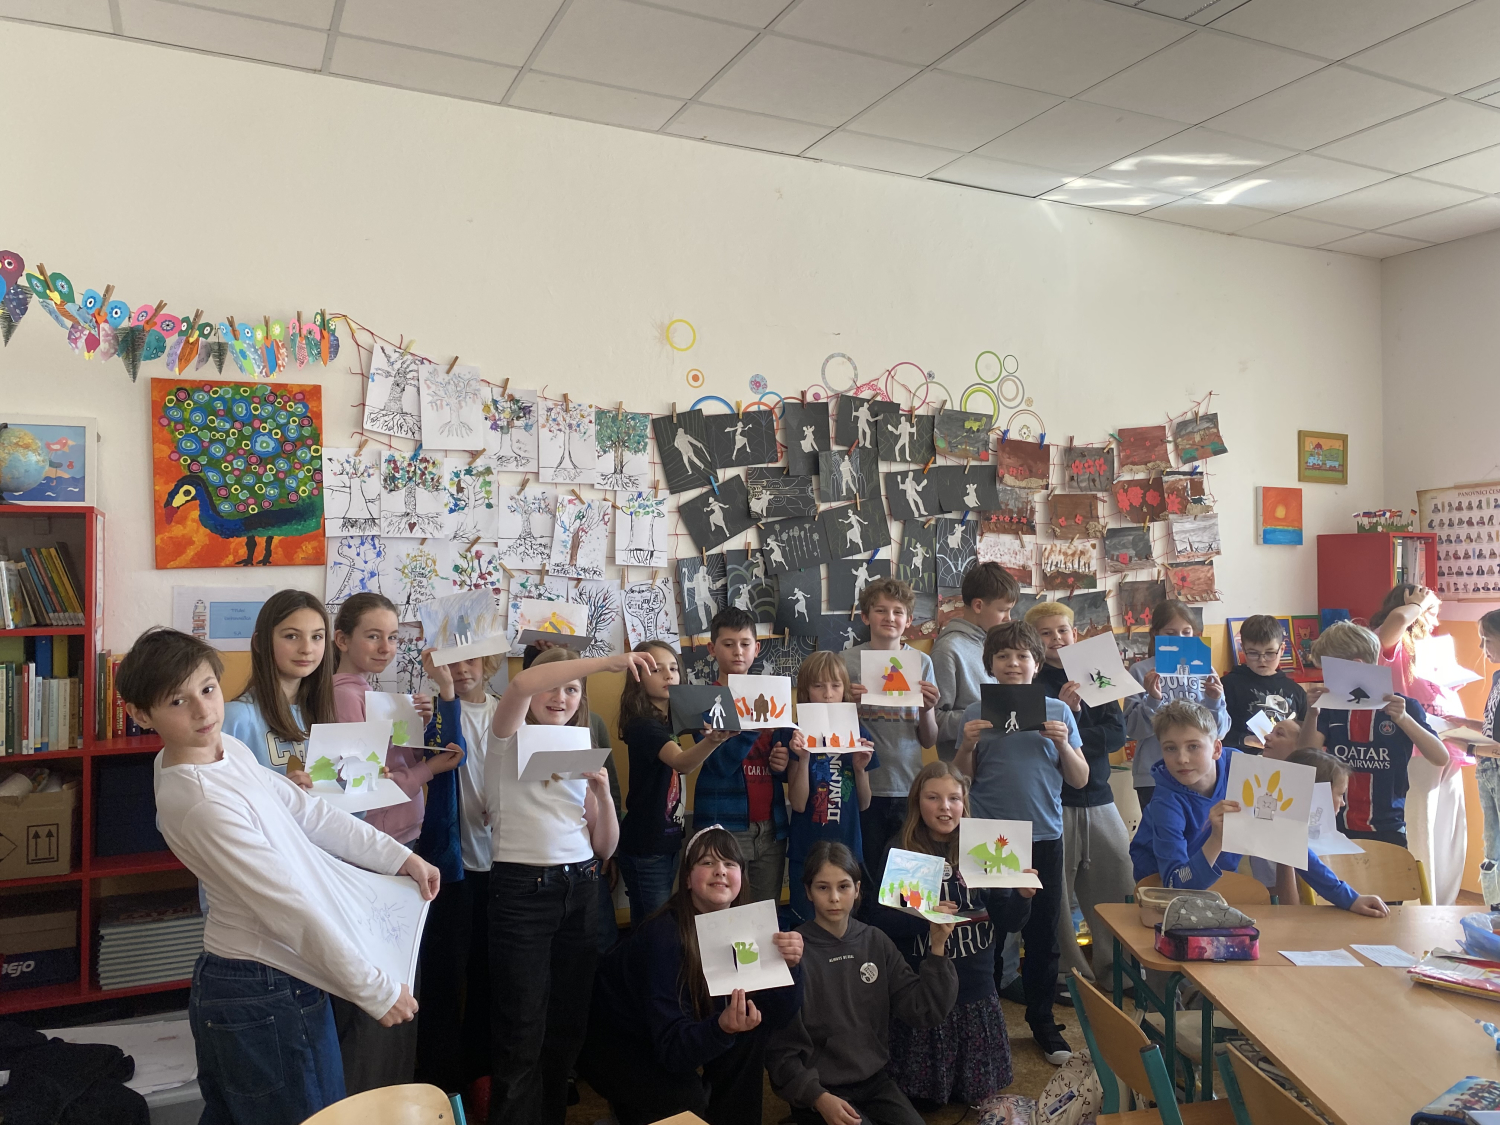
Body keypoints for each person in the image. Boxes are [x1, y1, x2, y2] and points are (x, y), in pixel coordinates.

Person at [124, 627, 439, 1125]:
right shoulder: (201, 801)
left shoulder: (223, 748)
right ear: (141, 714)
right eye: (178, 701)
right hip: (262, 985)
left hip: (270, 978)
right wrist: (375, 991)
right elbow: (287, 906)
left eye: (208, 689)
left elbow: (305, 810)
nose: (203, 711)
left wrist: (396, 856)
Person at [485, 646, 636, 1125]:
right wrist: (603, 663)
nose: (560, 697)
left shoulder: (578, 746)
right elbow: (519, 685)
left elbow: (604, 847)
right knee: (520, 1031)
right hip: (522, 892)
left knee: (566, 1028)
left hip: (581, 886)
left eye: (572, 690)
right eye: (552, 686)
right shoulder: (506, 736)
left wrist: (603, 796)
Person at [580, 827, 805, 1125]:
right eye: (707, 862)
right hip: (616, 1041)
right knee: (685, 1103)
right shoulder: (664, 937)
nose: (720, 870)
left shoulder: (746, 929)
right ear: (687, 878)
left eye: (729, 863)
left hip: (669, 1034)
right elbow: (672, 1050)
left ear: (742, 876)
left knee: (749, 1027)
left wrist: (790, 967)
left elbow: (776, 1016)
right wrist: (720, 1028)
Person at [330, 593, 463, 1092]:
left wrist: (417, 723)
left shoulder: (370, 691)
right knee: (387, 982)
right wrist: (431, 768)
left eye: (392, 637)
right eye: (372, 636)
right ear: (342, 639)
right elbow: (361, 785)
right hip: (377, 852)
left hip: (399, 844)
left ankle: (391, 1088)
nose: (385, 647)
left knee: (401, 977)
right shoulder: (346, 694)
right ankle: (375, 1093)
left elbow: (392, 760)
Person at [955, 621, 1087, 1066]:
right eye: (1003, 656)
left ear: (1036, 663)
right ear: (990, 664)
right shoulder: (977, 712)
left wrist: (1064, 745)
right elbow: (963, 780)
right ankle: (986, 1021)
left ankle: (1042, 1022)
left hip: (1043, 834)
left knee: (1043, 933)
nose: (1013, 664)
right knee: (987, 933)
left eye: (1022, 656)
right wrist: (967, 746)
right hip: (988, 836)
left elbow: (1080, 778)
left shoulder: (1058, 711)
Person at [870, 763, 1034, 1104]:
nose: (945, 807)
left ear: (964, 802)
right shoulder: (903, 850)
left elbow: (1008, 922)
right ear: (917, 801)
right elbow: (882, 925)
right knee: (923, 1100)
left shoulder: (982, 848)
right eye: (933, 797)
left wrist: (1021, 895)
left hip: (976, 987)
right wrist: (924, 917)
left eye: (954, 798)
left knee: (979, 1094)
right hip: (925, 986)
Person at [1131, 700, 1388, 917]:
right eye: (1170, 748)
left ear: (1217, 749)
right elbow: (1176, 885)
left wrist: (1350, 899)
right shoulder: (1166, 804)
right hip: (1160, 897)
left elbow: (1290, 840)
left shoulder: (1243, 771)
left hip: (1221, 888)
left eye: (1193, 746)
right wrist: (1218, 839)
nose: (1182, 758)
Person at [767, 841, 956, 1125]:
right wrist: (817, 1097)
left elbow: (922, 1009)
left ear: (857, 890)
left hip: (875, 1083)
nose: (834, 898)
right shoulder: (794, 954)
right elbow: (781, 1052)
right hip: (820, 1089)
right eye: (823, 887)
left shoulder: (875, 941)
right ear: (808, 891)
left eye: (843, 887)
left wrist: (938, 946)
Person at [1024, 602, 1131, 988]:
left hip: (1099, 795)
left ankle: (1119, 971)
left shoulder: (1095, 670)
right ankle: (1070, 975)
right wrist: (1063, 711)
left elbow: (1116, 735)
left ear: (1075, 634)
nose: (1056, 639)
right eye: (1046, 633)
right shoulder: (1030, 680)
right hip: (1054, 802)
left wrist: (1073, 724)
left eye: (1063, 630)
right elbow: (1036, 746)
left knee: (1118, 880)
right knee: (1056, 893)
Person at [1299, 621, 1449, 851]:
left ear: (1356, 666)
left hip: (1388, 825)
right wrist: (1312, 714)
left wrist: (1404, 719)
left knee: (1388, 875)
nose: (1326, 679)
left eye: (1330, 672)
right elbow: (1305, 757)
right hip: (1337, 822)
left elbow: (1440, 757)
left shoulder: (1404, 706)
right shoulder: (1330, 708)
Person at [1370, 584, 1468, 904]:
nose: (1435, 620)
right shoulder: (1391, 639)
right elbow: (1396, 624)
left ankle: (1444, 903)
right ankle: (1419, 903)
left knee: (1449, 832)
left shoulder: (1430, 646)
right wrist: (1417, 604)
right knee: (1420, 827)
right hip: (1415, 750)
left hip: (1449, 745)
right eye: (1431, 612)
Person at [616, 640, 725, 924]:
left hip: (668, 841)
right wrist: (713, 741)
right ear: (638, 677)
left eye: (674, 668)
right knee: (653, 925)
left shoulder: (670, 723)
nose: (668, 675)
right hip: (646, 845)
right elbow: (682, 762)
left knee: (666, 919)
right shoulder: (643, 725)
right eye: (657, 670)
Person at [690, 607, 791, 904]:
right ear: (712, 649)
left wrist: (782, 764)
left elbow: (782, 766)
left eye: (745, 644)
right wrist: (752, 726)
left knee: (764, 912)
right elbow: (719, 764)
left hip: (770, 826)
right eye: (728, 644)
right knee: (722, 911)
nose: (738, 651)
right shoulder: (704, 701)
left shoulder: (773, 697)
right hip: (724, 825)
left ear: (756, 649)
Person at [840, 578, 937, 877]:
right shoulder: (846, 662)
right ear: (865, 617)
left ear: (908, 620)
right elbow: (835, 732)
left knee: (906, 876)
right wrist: (847, 704)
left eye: (897, 612)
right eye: (880, 610)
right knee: (866, 872)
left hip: (908, 785)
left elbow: (928, 739)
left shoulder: (921, 662)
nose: (889, 618)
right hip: (864, 784)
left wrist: (927, 709)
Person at [786, 651, 877, 923]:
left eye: (835, 686)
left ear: (844, 690)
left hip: (848, 849)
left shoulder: (858, 733)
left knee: (845, 924)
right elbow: (798, 803)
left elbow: (865, 803)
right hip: (806, 849)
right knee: (807, 924)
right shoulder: (795, 734)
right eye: (818, 686)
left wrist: (859, 769)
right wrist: (803, 759)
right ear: (805, 691)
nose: (828, 694)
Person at [221, 590, 333, 785]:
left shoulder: (322, 711)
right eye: (291, 636)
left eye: (317, 637)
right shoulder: (236, 718)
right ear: (260, 642)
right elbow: (215, 793)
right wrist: (280, 791)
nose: (307, 649)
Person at [1125, 599, 1227, 810]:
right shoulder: (1141, 671)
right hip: (1153, 774)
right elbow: (1133, 730)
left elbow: (1220, 731)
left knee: (1203, 828)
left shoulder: (1205, 669)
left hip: (1200, 772)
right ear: (1156, 634)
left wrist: (1214, 701)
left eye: (1186, 633)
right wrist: (1153, 700)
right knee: (1161, 827)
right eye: (1170, 634)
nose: (1179, 639)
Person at [930, 562, 1016, 763]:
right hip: (965, 769)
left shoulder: (995, 643)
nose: (1008, 618)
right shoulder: (948, 649)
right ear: (978, 606)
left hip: (1000, 763)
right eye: (1003, 610)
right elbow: (934, 721)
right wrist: (986, 716)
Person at [1223, 615, 1307, 749]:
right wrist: (1246, 740)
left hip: (1285, 760)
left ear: (1282, 649)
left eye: (1270, 653)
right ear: (1243, 649)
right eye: (1253, 653)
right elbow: (1214, 733)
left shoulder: (1296, 691)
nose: (1262, 660)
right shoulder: (1228, 686)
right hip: (1243, 759)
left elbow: (1306, 736)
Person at [1462, 610, 1500, 907]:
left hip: (1494, 767)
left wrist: (1468, 747)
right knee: (1492, 847)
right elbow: (1492, 727)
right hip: (1488, 771)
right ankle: (1493, 910)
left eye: (1486, 639)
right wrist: (1463, 723)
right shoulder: (1497, 677)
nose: (1481, 647)